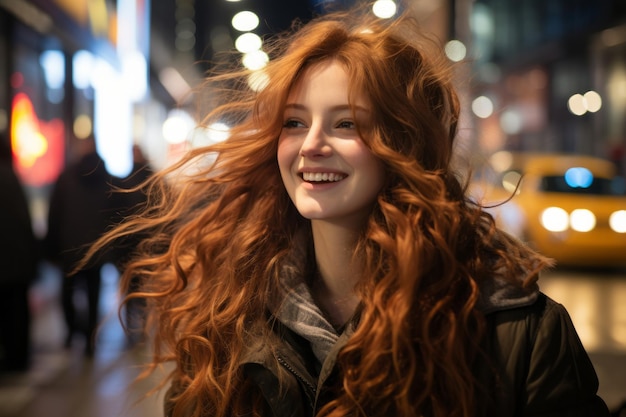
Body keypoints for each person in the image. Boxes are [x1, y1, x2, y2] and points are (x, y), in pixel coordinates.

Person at [89, 7, 610, 417]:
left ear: (403, 144)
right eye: (294, 123)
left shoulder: (519, 330)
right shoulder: (227, 310)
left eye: (346, 124)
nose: (312, 145)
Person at [45, 134, 117, 356]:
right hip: (96, 247)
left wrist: (52, 246)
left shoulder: (66, 177)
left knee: (67, 292)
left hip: (70, 246)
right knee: (93, 293)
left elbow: (54, 215)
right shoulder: (107, 179)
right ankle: (90, 338)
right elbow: (115, 215)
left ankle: (72, 332)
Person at [0, 136, 39, 373]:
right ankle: (19, 358)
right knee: (17, 312)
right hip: (18, 262)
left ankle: (11, 358)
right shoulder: (12, 177)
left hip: (5, 262)